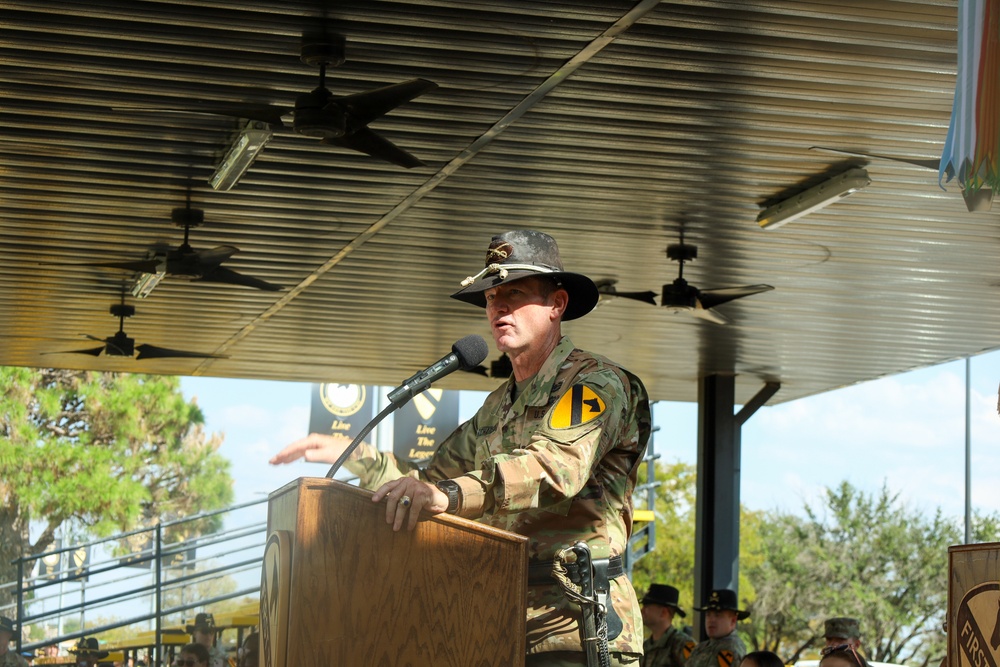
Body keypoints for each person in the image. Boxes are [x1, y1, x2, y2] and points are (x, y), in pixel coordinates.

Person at [271, 229, 652, 666]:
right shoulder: (497, 407)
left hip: (577, 627)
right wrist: (360, 456)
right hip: (496, 620)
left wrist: (448, 496)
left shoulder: (597, 383)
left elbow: (553, 468)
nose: (499, 306)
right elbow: (428, 483)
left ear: (556, 305)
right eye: (492, 296)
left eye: (516, 292)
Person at [685, 589, 749, 667]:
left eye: (718, 615)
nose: (711, 620)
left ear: (733, 621)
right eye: (708, 614)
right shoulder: (700, 648)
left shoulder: (732, 650)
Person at [640, 584, 695, 667]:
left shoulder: (682, 644)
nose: (642, 610)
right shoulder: (645, 646)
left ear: (664, 612)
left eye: (647, 606)